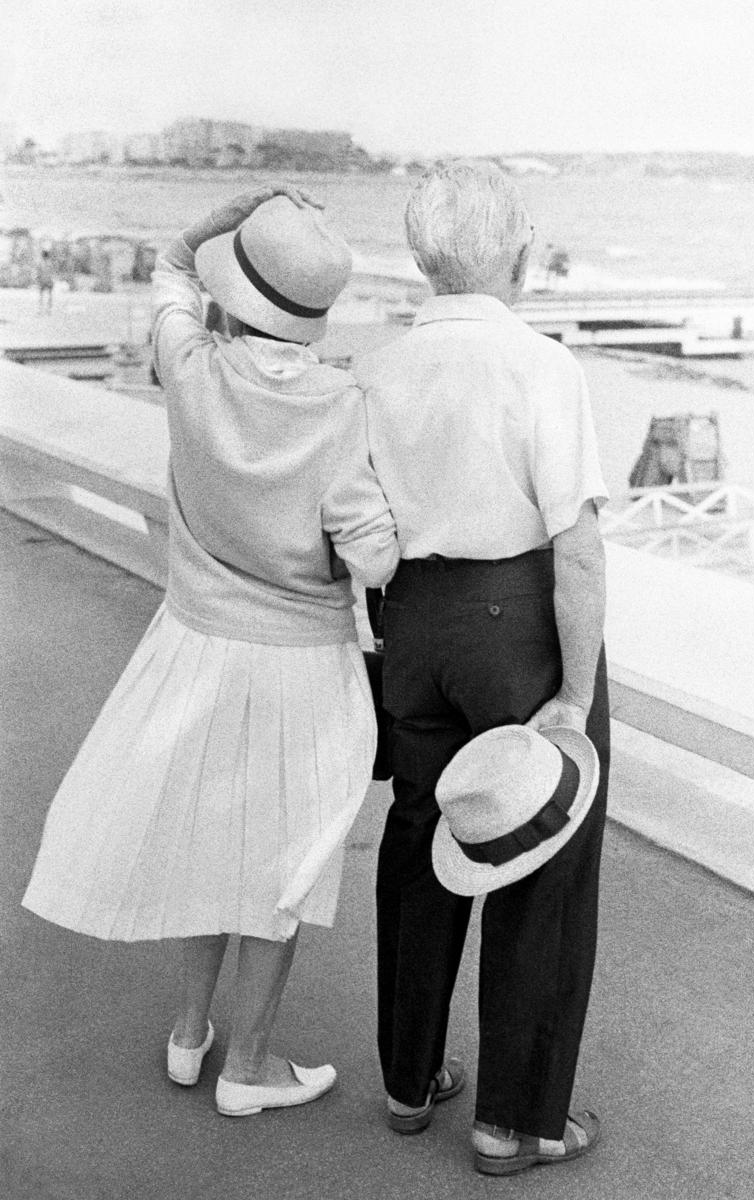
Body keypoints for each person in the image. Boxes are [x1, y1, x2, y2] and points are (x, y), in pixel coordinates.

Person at [22, 186, 399, 1116]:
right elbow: (374, 552)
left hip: (192, 647)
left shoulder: (189, 367)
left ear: (240, 294)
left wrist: (238, 210)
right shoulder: (344, 405)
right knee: (284, 867)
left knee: (206, 846)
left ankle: (191, 1035)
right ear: (314, 313)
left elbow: (170, 265)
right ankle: (251, 1067)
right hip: (302, 669)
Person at [354, 160, 610, 1174]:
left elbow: (358, 525)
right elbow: (578, 547)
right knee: (539, 856)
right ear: (514, 253)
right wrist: (577, 695)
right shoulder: (542, 366)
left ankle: (407, 1081)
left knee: (422, 838)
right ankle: (515, 1121)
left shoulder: (375, 367)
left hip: (411, 621)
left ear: (424, 260)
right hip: (517, 622)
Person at [36, 248, 55, 312]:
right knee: (49, 295)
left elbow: (38, 272)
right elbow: (52, 273)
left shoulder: (41, 263)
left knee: (41, 295)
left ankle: (41, 308)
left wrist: (38, 280)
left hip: (43, 280)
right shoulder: (50, 263)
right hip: (49, 280)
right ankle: (49, 309)